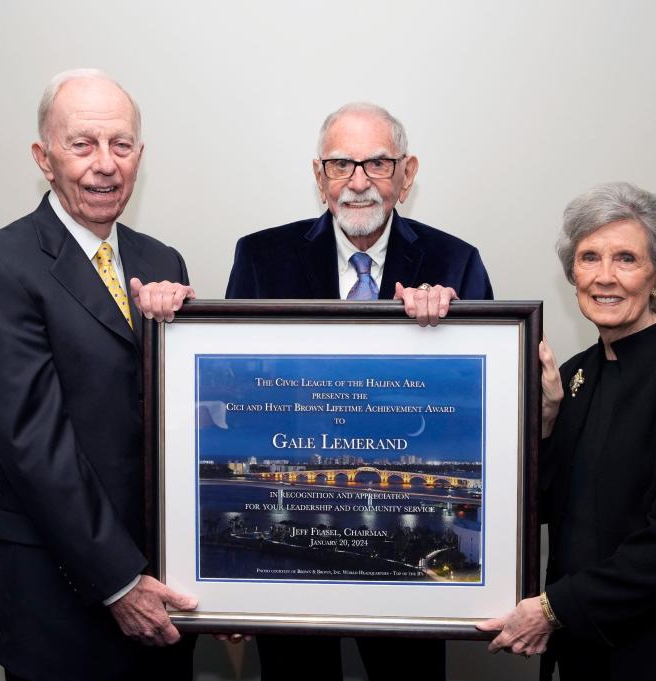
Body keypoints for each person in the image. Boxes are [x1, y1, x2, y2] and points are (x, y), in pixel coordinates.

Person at [137, 102, 492, 681]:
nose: (358, 182)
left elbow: (475, 414)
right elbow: (235, 402)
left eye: (377, 163)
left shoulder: (455, 262)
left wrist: (448, 340)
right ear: (318, 174)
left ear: (407, 173)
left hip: (410, 543)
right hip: (289, 530)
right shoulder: (261, 256)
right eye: (340, 164)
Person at [0, 69, 199, 681]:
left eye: (121, 145)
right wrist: (119, 582)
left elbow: (189, 419)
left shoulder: (161, 262)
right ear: (44, 157)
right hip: (64, 595)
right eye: (82, 144)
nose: (105, 164)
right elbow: (35, 445)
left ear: (140, 155)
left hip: (167, 593)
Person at [477, 182, 656, 680]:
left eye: (626, 259)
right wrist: (545, 423)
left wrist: (550, 610)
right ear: (573, 273)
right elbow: (545, 511)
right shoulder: (573, 375)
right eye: (589, 257)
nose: (604, 277)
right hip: (589, 648)